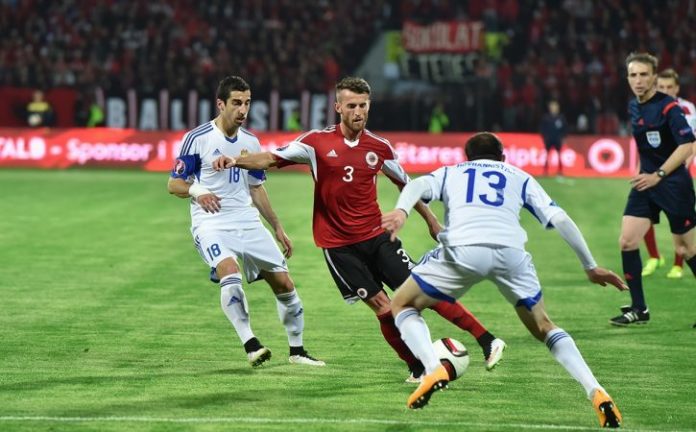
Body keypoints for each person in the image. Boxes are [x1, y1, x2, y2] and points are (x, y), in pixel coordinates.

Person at [213, 76, 506, 381]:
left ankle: (488, 340)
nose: (358, 112)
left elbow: (406, 184)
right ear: (338, 107)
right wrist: (235, 161)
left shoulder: (379, 147)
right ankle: (417, 368)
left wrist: (431, 220)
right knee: (383, 307)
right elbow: (271, 158)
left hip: (378, 237)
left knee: (424, 291)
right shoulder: (315, 143)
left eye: (363, 106)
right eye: (351, 105)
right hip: (339, 247)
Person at [382, 132, 626, 428]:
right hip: (510, 254)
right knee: (544, 327)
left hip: (463, 251)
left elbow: (417, 184)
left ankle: (433, 368)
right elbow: (560, 219)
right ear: (503, 158)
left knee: (403, 304)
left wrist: (402, 210)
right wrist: (590, 266)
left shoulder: (452, 172)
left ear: (466, 157)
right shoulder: (519, 176)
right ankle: (595, 390)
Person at [167, 75, 324, 367]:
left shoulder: (250, 141)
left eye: (247, 103)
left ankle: (297, 352)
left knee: (284, 284)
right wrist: (199, 191)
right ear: (220, 104)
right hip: (212, 222)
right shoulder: (198, 138)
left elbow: (256, 188)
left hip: (248, 221)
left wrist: (277, 226)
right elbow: (174, 184)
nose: (243, 110)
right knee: (229, 271)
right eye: (236, 103)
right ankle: (251, 344)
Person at [611, 52, 696, 327]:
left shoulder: (669, 107)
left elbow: (686, 146)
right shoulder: (633, 106)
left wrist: (659, 174)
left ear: (654, 77)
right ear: (627, 78)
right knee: (627, 241)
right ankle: (639, 308)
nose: (638, 80)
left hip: (672, 184)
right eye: (633, 75)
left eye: (644, 74)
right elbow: (646, 145)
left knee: (686, 249)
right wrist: (642, 171)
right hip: (646, 183)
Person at [640, 68, 696, 279]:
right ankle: (654, 256)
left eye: (669, 87)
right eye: (661, 87)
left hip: (675, 174)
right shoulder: (648, 107)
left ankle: (678, 264)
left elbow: (691, 142)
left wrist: (681, 168)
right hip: (652, 171)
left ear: (677, 88)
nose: (665, 90)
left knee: (679, 224)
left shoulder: (687, 109)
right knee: (642, 215)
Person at [539, 99, 567, 177]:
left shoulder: (561, 118)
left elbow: (564, 129)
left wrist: (563, 137)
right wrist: (544, 137)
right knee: (547, 155)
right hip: (549, 139)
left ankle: (560, 170)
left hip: (557, 139)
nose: (553, 108)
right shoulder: (546, 117)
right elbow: (542, 128)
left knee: (559, 155)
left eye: (555, 106)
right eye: (552, 106)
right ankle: (545, 170)